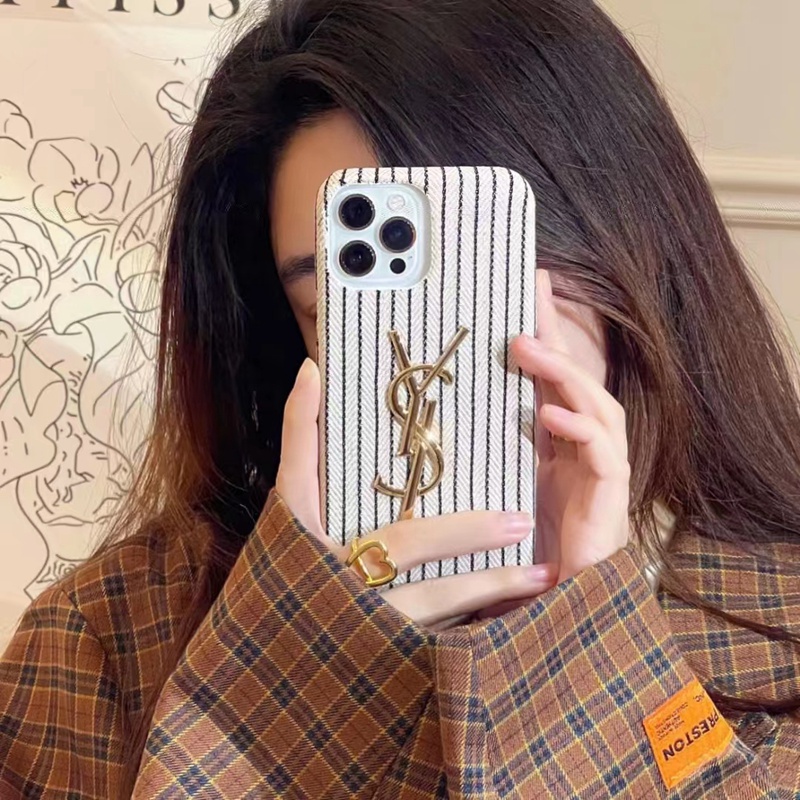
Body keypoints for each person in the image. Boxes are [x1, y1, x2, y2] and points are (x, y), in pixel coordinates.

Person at [1, 0, 799, 796]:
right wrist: (301, 674)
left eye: (485, 275)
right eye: (340, 308)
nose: (427, 346)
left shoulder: (781, 623)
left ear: (636, 237)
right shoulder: (102, 644)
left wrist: (587, 655)